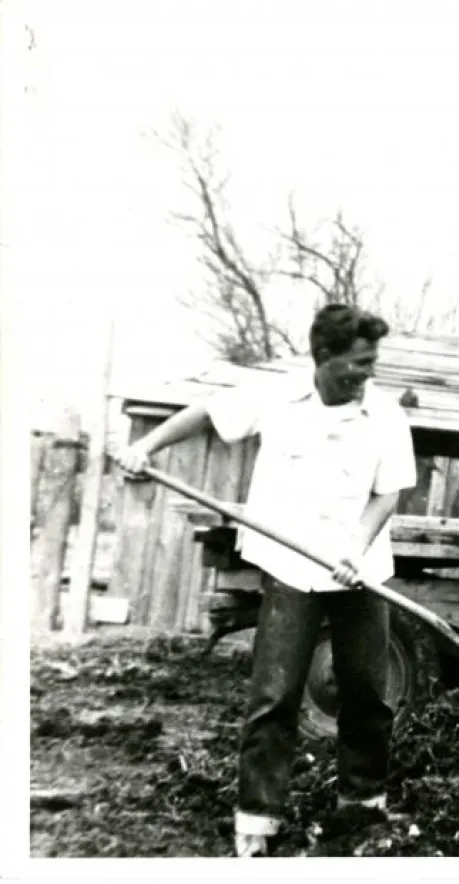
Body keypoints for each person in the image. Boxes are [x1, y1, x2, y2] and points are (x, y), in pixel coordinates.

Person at [114, 304, 418, 857]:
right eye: (358, 363)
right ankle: (256, 820)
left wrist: (355, 548)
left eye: (372, 363)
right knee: (275, 695)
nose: (367, 374)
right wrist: (145, 448)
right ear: (323, 358)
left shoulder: (385, 414)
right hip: (290, 568)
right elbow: (206, 413)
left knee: (368, 692)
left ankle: (363, 808)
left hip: (360, 571)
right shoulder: (276, 397)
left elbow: (389, 492)